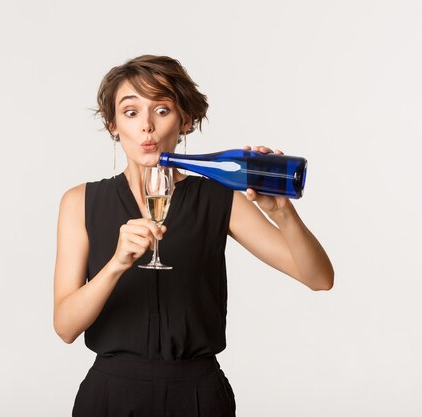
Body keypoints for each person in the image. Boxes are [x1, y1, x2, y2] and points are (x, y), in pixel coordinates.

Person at [53, 55, 334, 417]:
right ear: (112, 124)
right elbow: (65, 327)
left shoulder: (220, 196)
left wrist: (281, 210)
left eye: (162, 110)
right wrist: (115, 265)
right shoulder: (80, 203)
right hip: (110, 396)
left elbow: (319, 278)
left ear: (184, 120)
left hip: (198, 397)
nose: (148, 127)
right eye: (131, 112)